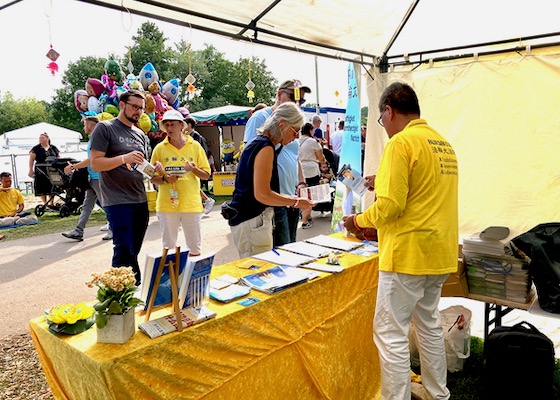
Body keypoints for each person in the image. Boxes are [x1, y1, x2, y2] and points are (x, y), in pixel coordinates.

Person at [343, 82, 459, 400]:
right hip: (439, 252)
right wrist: (381, 179)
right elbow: (422, 190)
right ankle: (438, 393)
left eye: (382, 120)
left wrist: (357, 221)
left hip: (407, 254)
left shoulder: (401, 143)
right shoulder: (441, 143)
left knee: (390, 333)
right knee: (429, 324)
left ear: (389, 111)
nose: (385, 128)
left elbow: (391, 207)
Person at [90, 89, 160, 285]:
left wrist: (154, 169)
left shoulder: (140, 134)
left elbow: (142, 168)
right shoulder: (105, 128)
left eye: (142, 109)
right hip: (117, 200)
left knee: (133, 250)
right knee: (123, 250)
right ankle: (120, 296)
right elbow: (95, 163)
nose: (138, 112)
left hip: (139, 198)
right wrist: (123, 158)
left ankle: (130, 291)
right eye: (135, 107)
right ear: (122, 105)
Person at [228, 102, 314, 258]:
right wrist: (295, 201)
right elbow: (262, 194)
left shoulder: (260, 143)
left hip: (251, 219)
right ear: (282, 125)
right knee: (259, 272)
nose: (296, 138)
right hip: (252, 219)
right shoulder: (265, 147)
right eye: (295, 132)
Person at [243, 79, 311, 246]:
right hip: (273, 200)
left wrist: (301, 183)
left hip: (290, 196)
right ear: (279, 95)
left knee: (291, 248)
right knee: (281, 254)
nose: (297, 103)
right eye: (293, 98)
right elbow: (249, 156)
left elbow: (296, 157)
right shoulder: (261, 118)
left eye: (301, 100)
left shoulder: (291, 122)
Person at [150, 109, 211, 256]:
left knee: (195, 248)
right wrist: (164, 178)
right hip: (167, 204)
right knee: (169, 248)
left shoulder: (195, 146)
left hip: (191, 203)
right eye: (166, 125)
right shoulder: (159, 148)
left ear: (181, 126)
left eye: (172, 125)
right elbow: (152, 177)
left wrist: (193, 169)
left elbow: (206, 175)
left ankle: (194, 278)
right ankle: (171, 278)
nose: (169, 129)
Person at [61, 115, 112, 242]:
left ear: (90, 124)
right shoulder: (92, 139)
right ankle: (78, 231)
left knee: (107, 204)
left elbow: (92, 160)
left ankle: (114, 229)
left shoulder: (97, 138)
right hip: (93, 177)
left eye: (85, 124)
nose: (84, 127)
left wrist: (74, 166)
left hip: (99, 177)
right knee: (87, 205)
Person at [184, 116, 215, 214]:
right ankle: (204, 201)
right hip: (191, 165)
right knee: (190, 183)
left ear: (189, 125)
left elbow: (199, 151)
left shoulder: (195, 136)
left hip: (194, 165)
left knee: (191, 183)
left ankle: (205, 200)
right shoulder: (189, 135)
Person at [298, 122, 325, 229]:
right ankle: (305, 220)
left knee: (302, 194)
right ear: (310, 130)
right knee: (311, 196)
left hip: (299, 170)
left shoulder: (297, 141)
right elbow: (321, 158)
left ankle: (305, 215)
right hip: (311, 170)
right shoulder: (312, 142)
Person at [28, 132, 60, 205]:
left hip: (52, 169)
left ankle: (51, 202)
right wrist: (30, 170)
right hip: (40, 169)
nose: (40, 139)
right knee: (42, 186)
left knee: (52, 185)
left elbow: (58, 157)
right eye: (40, 138)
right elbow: (31, 159)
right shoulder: (36, 149)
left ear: (47, 138)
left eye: (42, 138)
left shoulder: (53, 148)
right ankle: (45, 203)